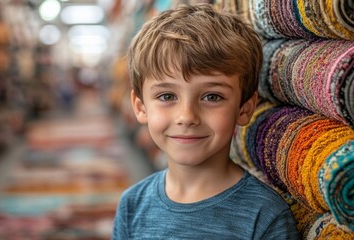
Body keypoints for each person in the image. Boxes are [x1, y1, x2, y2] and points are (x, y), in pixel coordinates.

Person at [112, 3, 300, 239]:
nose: (187, 116)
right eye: (167, 96)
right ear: (140, 107)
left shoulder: (265, 216)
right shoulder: (132, 205)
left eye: (212, 97)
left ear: (244, 108)